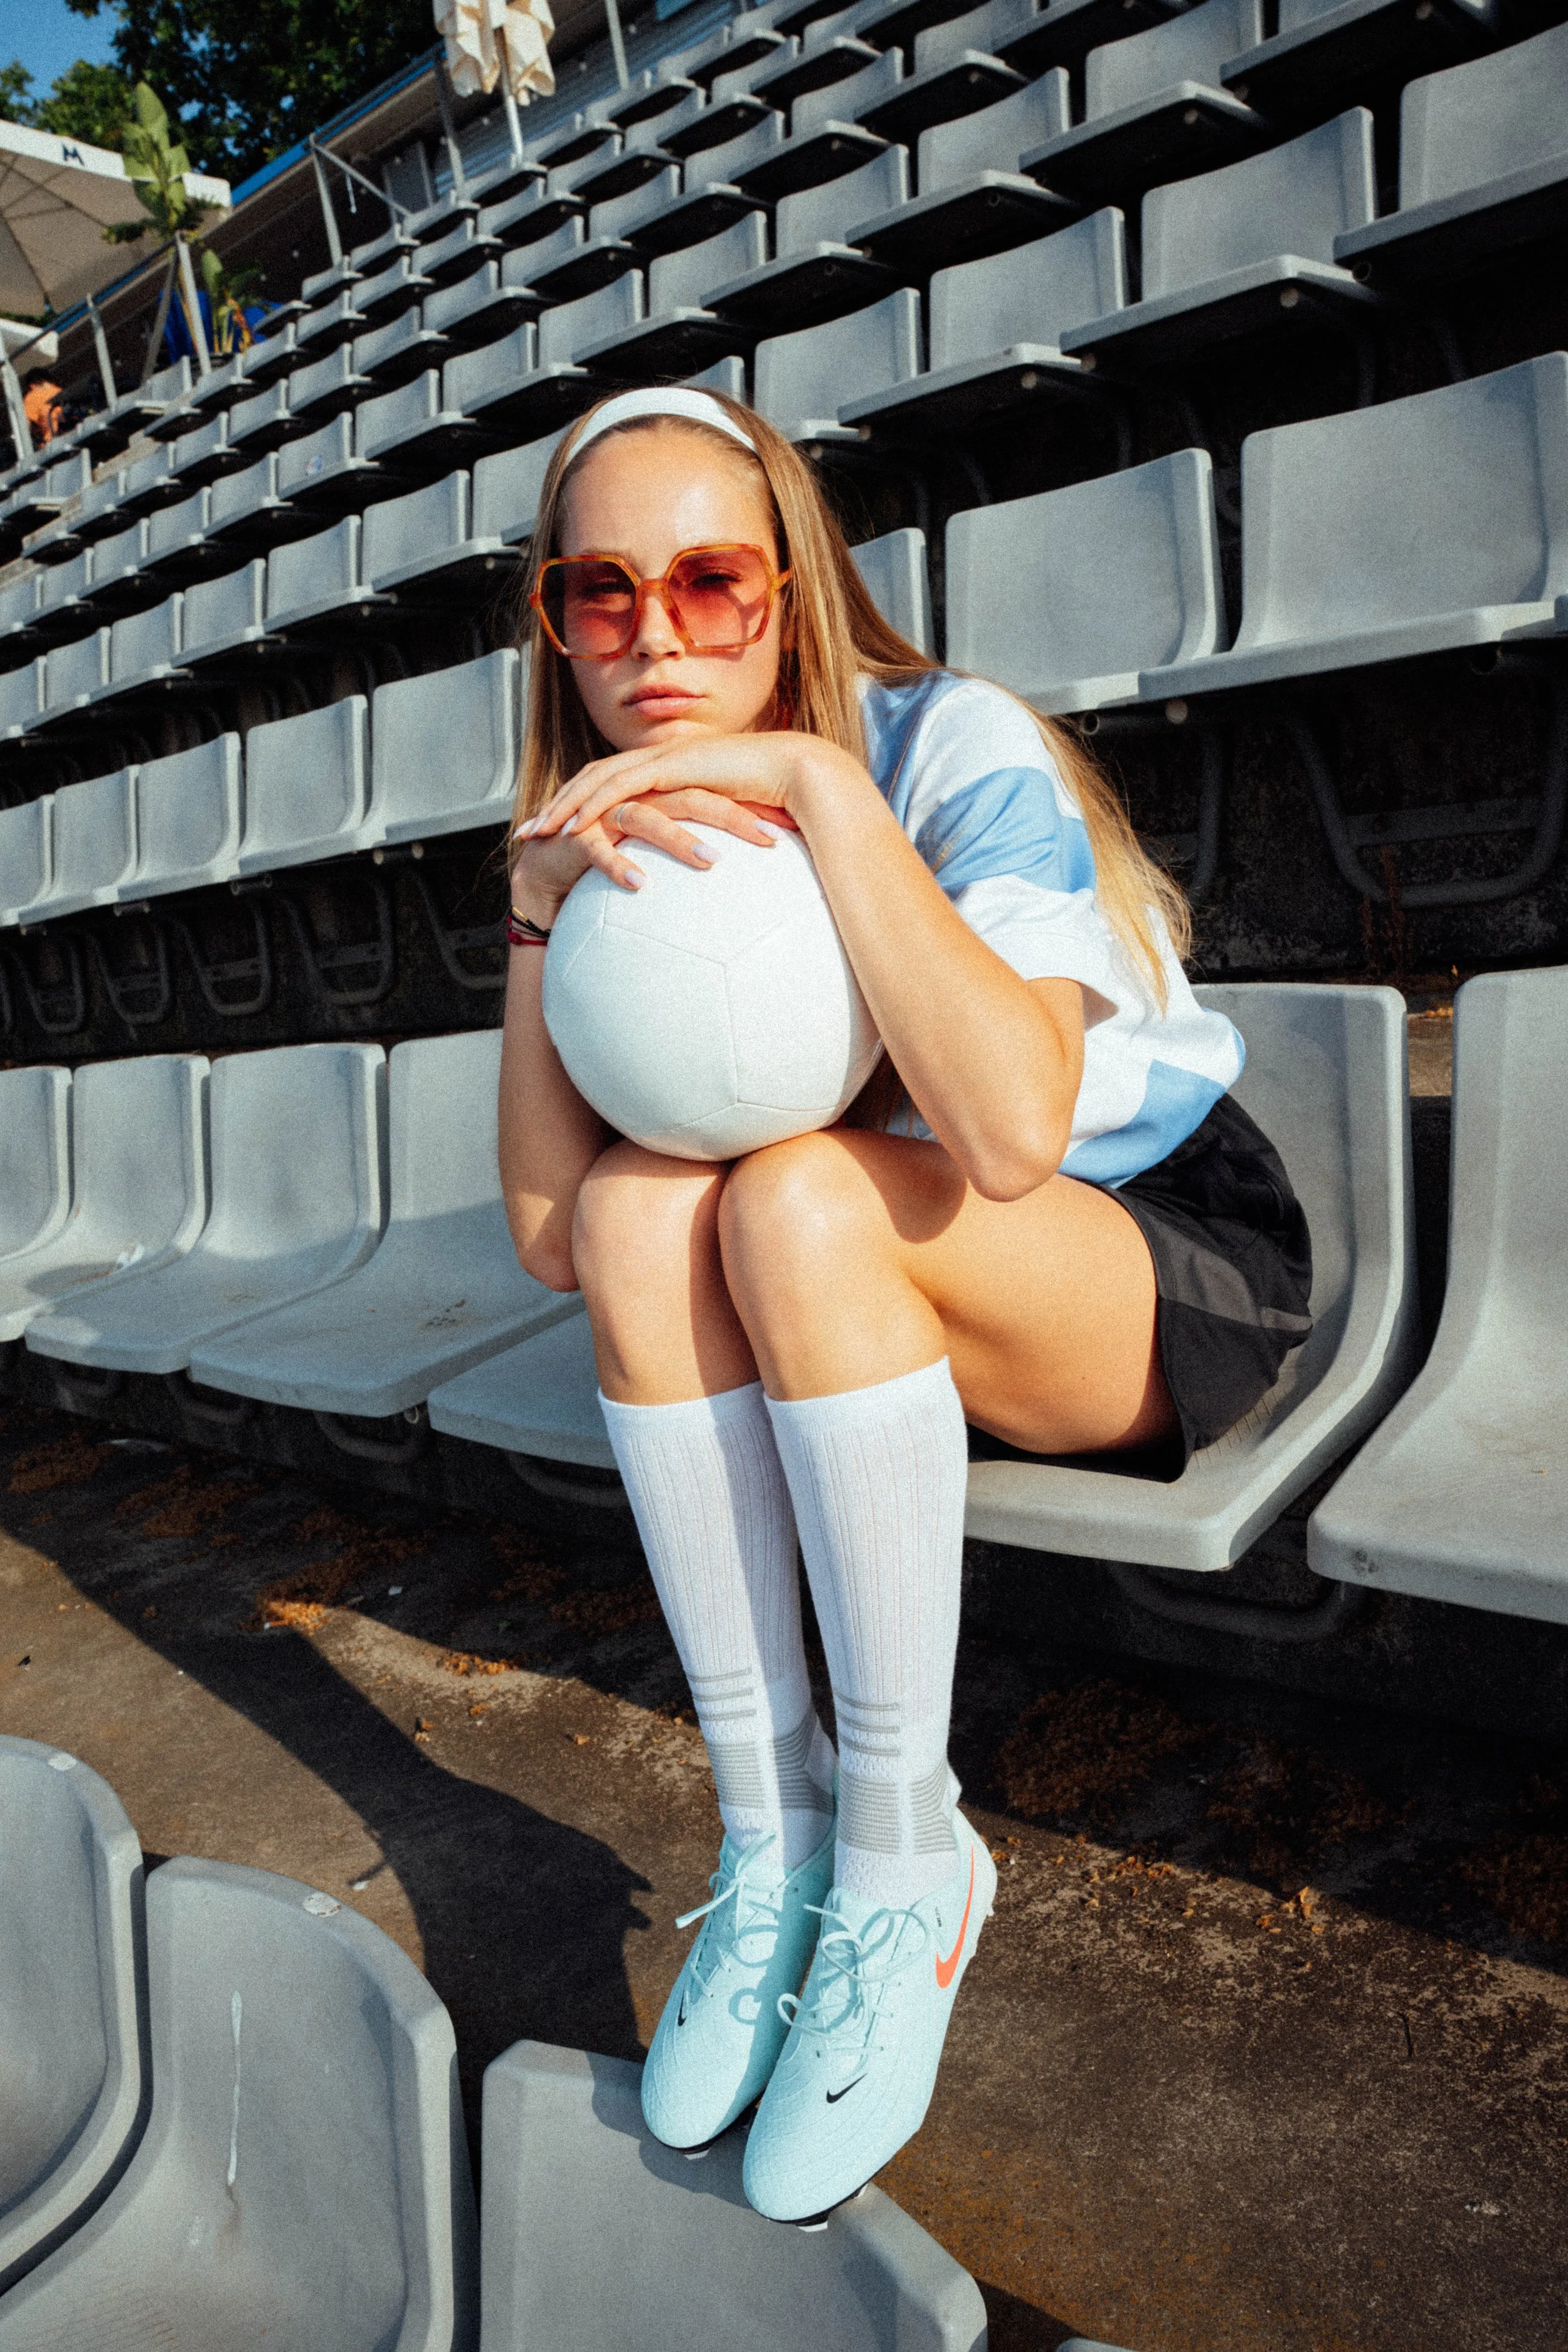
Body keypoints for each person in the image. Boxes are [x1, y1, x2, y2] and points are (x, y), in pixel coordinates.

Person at [499, 385, 1313, 2223]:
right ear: (554, 620)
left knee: (787, 1196)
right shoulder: (603, 818)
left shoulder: (946, 741)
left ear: (790, 586)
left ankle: (898, 1850)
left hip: (1141, 1247)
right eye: (599, 595)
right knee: (645, 1208)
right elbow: (557, 1235)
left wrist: (820, 786)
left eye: (711, 582)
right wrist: (537, 910)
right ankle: (772, 1834)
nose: (657, 640)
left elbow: (1015, 1131)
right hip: (884, 1247)